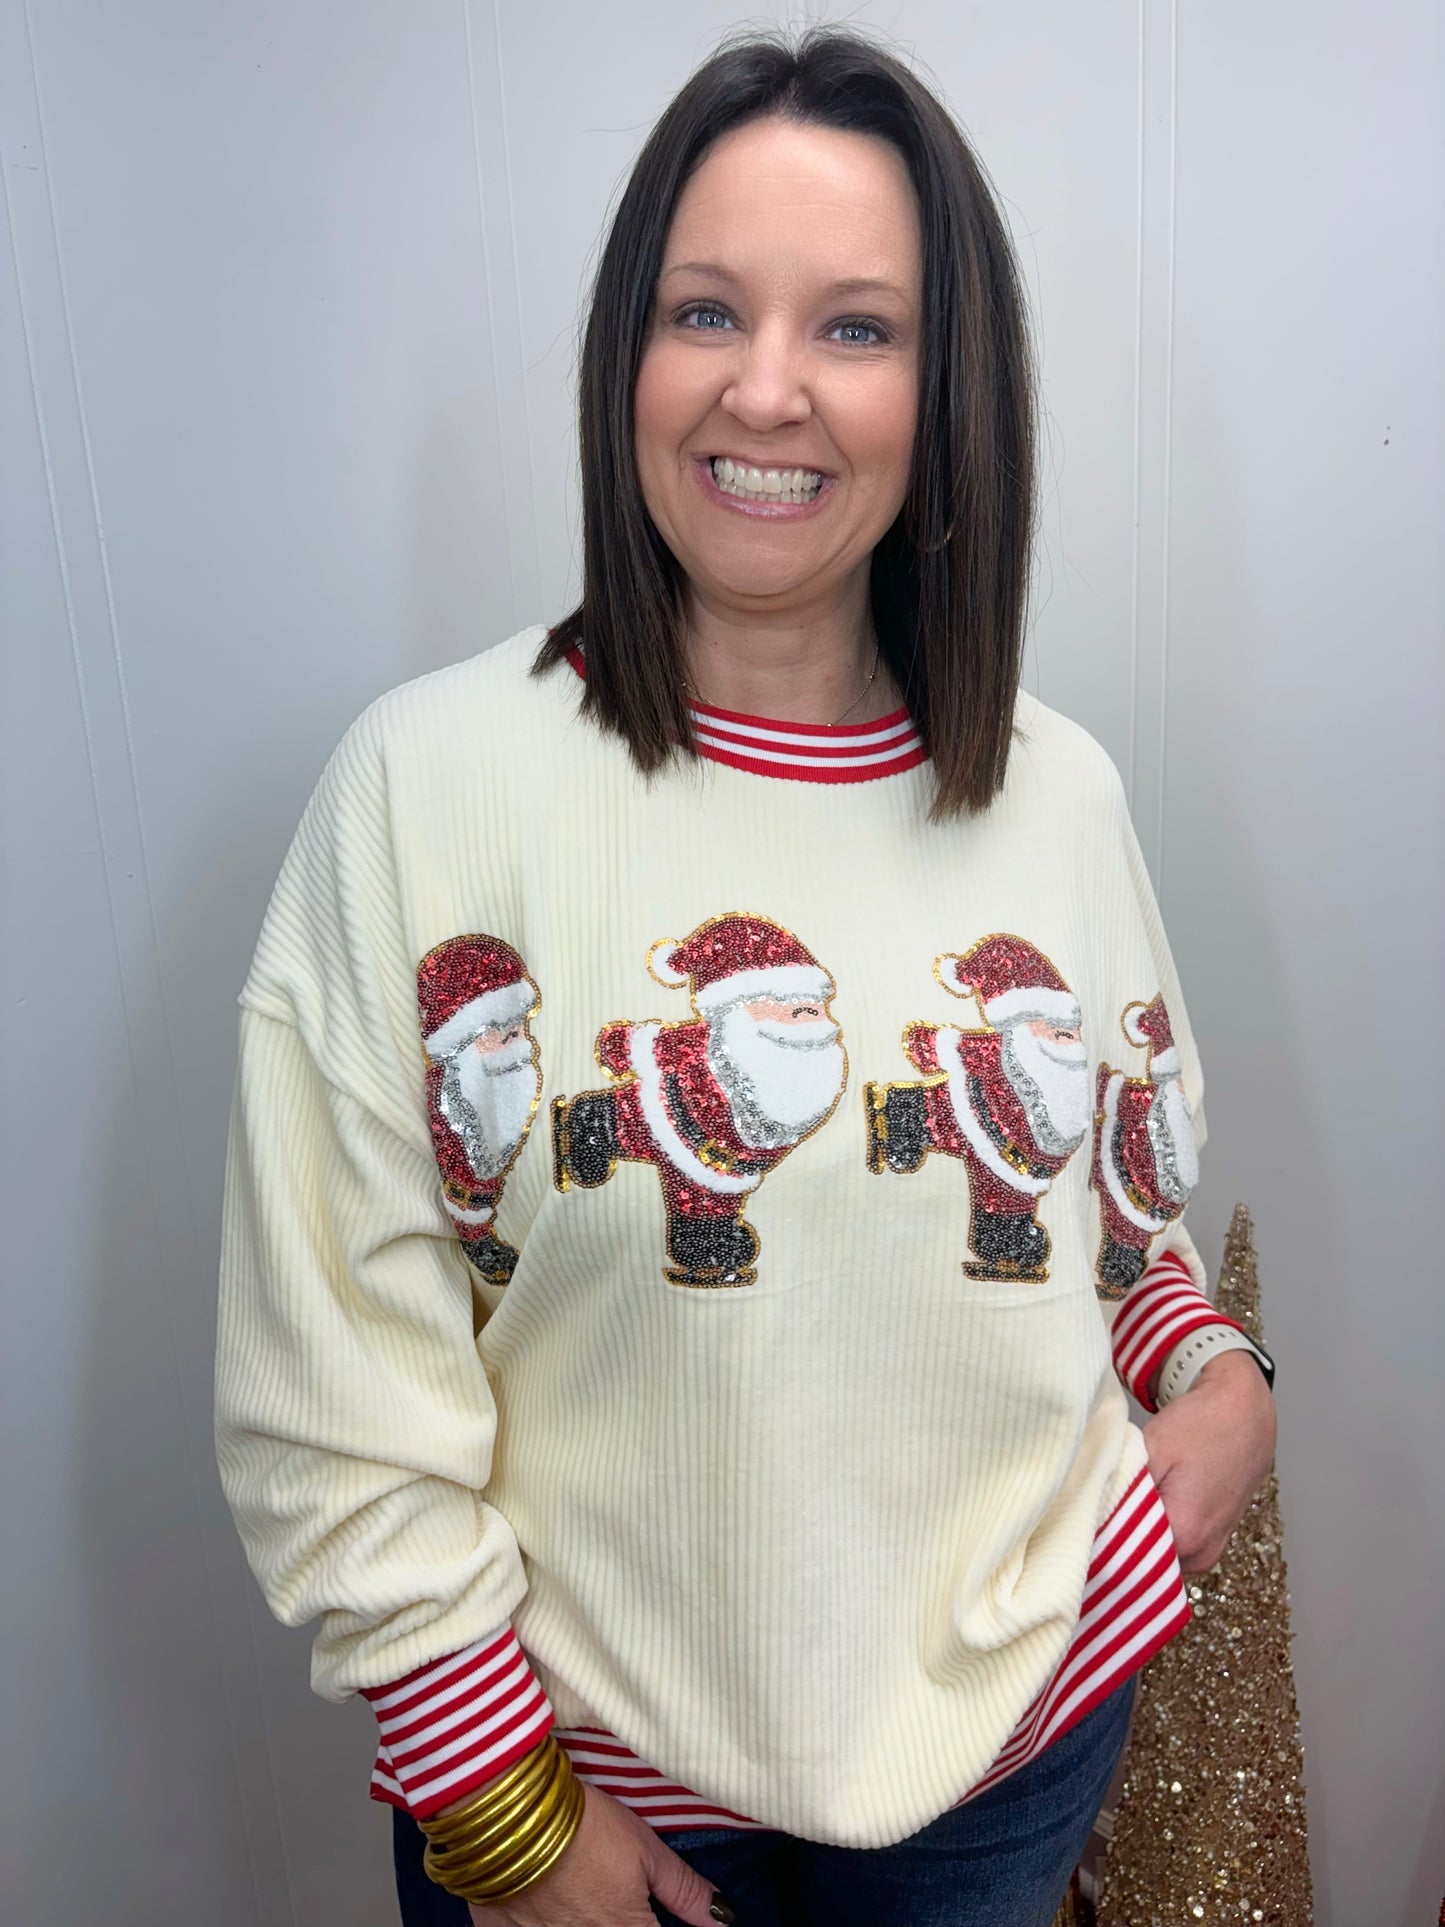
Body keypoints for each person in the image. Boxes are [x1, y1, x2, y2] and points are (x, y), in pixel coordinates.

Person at [214, 29, 1278, 1927]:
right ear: (627, 349)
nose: (766, 390)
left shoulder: (1060, 797)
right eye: (706, 310)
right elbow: (330, 1389)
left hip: (1007, 1777)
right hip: (573, 1799)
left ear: (946, 394)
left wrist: (1212, 1377)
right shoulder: (427, 790)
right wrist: (503, 1811)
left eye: (856, 329)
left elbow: (1113, 1215)